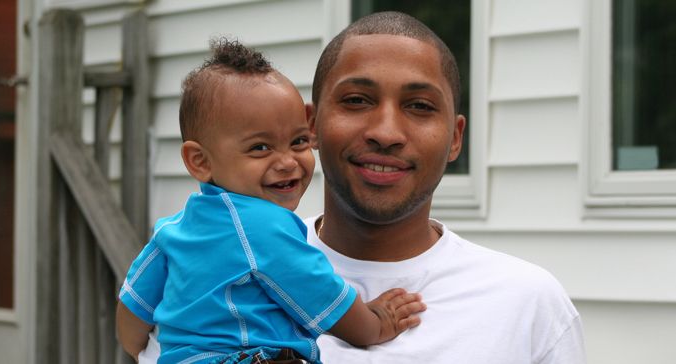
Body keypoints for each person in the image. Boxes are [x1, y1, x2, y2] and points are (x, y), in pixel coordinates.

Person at [141, 11, 587, 364]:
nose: (386, 132)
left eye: (419, 105)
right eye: (357, 100)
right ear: (311, 125)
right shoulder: (208, 272)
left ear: (455, 138)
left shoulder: (527, 304)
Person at [116, 38, 426, 364]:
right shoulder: (262, 225)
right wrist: (376, 324)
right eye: (261, 148)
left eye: (298, 141)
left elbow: (131, 322)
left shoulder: (172, 230)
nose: (287, 161)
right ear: (200, 161)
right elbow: (321, 294)